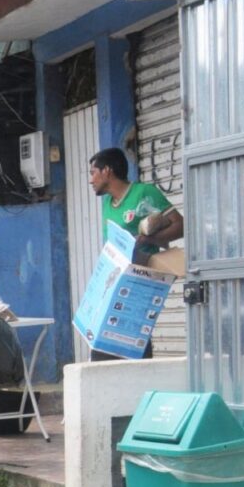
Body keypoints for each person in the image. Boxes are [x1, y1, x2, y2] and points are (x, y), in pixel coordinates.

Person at [88, 147, 184, 360]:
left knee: (134, 339)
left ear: (107, 171)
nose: (91, 180)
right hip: (115, 280)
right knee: (104, 340)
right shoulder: (107, 202)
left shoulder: (144, 193)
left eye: (93, 172)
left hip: (141, 279)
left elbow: (180, 225)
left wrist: (149, 239)